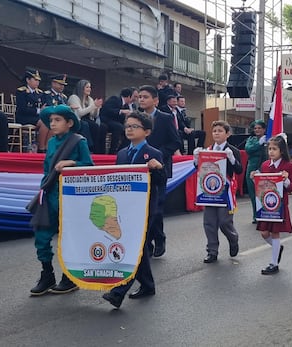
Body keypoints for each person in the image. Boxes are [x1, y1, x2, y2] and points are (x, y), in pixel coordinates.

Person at [29, 105, 93, 295]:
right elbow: (47, 169)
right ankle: (47, 274)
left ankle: (69, 276)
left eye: (57, 120)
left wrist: (72, 163)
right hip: (49, 194)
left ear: (69, 123)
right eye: (51, 120)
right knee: (41, 235)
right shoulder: (50, 143)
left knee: (68, 238)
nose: (52, 124)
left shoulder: (78, 141)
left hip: (69, 197)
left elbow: (89, 166)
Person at [101, 112, 162, 308]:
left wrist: (158, 168)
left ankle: (118, 292)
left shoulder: (153, 153)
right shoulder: (121, 153)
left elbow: (162, 182)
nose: (129, 129)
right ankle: (147, 284)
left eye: (134, 126)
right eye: (127, 126)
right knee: (139, 248)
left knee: (134, 247)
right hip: (125, 208)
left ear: (147, 132)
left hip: (145, 208)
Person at [137, 85, 181, 257]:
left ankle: (159, 238)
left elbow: (175, 142)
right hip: (140, 170)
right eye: (139, 96)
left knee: (156, 207)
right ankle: (146, 243)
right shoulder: (136, 118)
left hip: (159, 169)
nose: (141, 99)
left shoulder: (165, 118)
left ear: (155, 100)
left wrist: (157, 155)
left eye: (145, 97)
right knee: (143, 208)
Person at [196, 120, 243, 264]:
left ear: (227, 134)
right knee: (209, 222)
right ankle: (212, 251)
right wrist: (196, 158)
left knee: (224, 222)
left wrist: (232, 159)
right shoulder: (208, 149)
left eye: (220, 131)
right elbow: (200, 169)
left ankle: (233, 238)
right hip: (210, 192)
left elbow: (239, 170)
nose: (216, 133)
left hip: (225, 192)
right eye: (214, 131)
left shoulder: (232, 150)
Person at [252, 135, 292, 275]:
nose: (271, 152)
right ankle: (277, 248)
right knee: (264, 233)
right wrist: (255, 177)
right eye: (269, 149)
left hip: (279, 205)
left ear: (281, 151)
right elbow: (261, 184)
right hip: (266, 205)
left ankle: (274, 263)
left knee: (275, 232)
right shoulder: (265, 165)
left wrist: (286, 179)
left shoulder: (288, 166)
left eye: (274, 149)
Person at [15, 69, 50, 152]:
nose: (37, 82)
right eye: (35, 80)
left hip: (37, 118)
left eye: (38, 80)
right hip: (24, 117)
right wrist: (38, 111)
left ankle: (47, 147)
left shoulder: (40, 93)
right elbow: (22, 109)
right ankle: (41, 149)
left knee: (51, 123)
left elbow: (43, 105)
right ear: (28, 80)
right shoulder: (21, 91)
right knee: (44, 122)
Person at [67, 79, 106, 154]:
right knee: (91, 125)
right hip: (78, 120)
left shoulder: (90, 99)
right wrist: (93, 106)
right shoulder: (74, 97)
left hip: (88, 120)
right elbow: (80, 113)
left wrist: (97, 107)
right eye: (87, 87)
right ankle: (91, 148)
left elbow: (94, 115)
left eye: (90, 87)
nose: (89, 89)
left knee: (102, 127)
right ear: (81, 88)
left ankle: (101, 151)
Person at [100, 87, 136, 153]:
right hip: (107, 120)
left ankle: (120, 150)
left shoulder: (126, 106)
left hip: (116, 123)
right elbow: (107, 109)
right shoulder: (114, 99)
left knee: (128, 131)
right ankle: (112, 151)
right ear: (128, 97)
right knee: (118, 127)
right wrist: (121, 111)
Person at [244, 120, 267, 224]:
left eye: (259, 128)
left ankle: (267, 213)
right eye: (255, 128)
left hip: (265, 168)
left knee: (265, 191)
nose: (257, 130)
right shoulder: (251, 139)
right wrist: (259, 143)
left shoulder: (268, 139)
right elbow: (248, 149)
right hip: (252, 168)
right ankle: (256, 215)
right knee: (253, 193)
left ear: (264, 129)